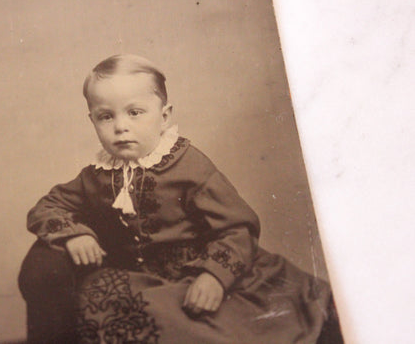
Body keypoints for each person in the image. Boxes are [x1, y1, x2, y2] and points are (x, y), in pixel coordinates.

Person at [18, 54, 342, 343]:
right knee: (114, 308)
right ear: (92, 121)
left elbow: (237, 229)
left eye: (135, 113)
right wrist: (74, 234)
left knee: (219, 325)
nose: (120, 127)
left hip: (202, 272)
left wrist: (214, 276)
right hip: (144, 279)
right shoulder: (97, 173)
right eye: (106, 116)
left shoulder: (189, 166)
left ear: (164, 115)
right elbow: (47, 207)